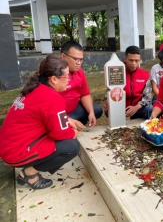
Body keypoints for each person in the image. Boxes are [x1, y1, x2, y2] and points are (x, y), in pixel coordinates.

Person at [0, 55, 81, 190]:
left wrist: (66, 121)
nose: (69, 80)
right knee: (71, 146)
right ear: (54, 79)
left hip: (9, 146)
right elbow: (60, 134)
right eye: (66, 76)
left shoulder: (35, 88)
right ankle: (29, 174)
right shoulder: (52, 98)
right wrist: (73, 132)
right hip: (16, 152)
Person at [60, 41, 103, 127]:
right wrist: (66, 119)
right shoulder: (53, 73)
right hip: (58, 113)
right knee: (59, 123)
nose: (79, 63)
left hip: (75, 109)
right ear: (63, 56)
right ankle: (67, 123)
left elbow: (85, 94)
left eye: (81, 59)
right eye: (75, 59)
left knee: (96, 110)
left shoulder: (80, 72)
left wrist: (91, 112)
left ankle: (73, 123)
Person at [104, 45, 152, 119]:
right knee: (109, 111)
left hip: (138, 107)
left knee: (150, 109)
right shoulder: (117, 72)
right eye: (131, 60)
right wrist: (108, 102)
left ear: (140, 60)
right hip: (121, 108)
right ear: (125, 59)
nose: (133, 63)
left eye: (136, 61)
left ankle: (135, 117)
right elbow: (109, 92)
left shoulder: (145, 74)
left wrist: (136, 107)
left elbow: (147, 97)